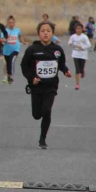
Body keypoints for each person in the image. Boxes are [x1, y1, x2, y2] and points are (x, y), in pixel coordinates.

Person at [20, 21, 71, 149]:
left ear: (52, 33)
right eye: (42, 31)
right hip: (36, 87)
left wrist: (66, 71)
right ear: (38, 34)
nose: (45, 33)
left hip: (51, 86)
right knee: (37, 115)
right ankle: (39, 115)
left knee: (47, 111)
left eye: (48, 31)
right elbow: (24, 66)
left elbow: (61, 64)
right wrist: (32, 78)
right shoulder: (32, 49)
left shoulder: (57, 50)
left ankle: (42, 140)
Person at [1, 16, 27, 85]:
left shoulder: (17, 30)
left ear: (14, 23)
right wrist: (4, 40)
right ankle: (8, 76)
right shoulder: (5, 31)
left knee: (12, 60)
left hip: (15, 49)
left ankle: (11, 75)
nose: (11, 24)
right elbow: (1, 39)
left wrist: (22, 41)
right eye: (9, 22)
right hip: (6, 50)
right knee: (7, 63)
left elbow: (20, 36)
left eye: (12, 22)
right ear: (7, 23)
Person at [68, 23, 90, 90]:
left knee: (81, 68)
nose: (78, 30)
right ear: (75, 29)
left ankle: (82, 71)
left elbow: (89, 45)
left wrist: (82, 47)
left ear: (82, 29)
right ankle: (77, 84)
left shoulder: (84, 37)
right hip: (75, 54)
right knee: (77, 69)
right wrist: (70, 43)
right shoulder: (73, 36)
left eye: (80, 29)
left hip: (83, 55)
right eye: (77, 29)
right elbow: (69, 42)